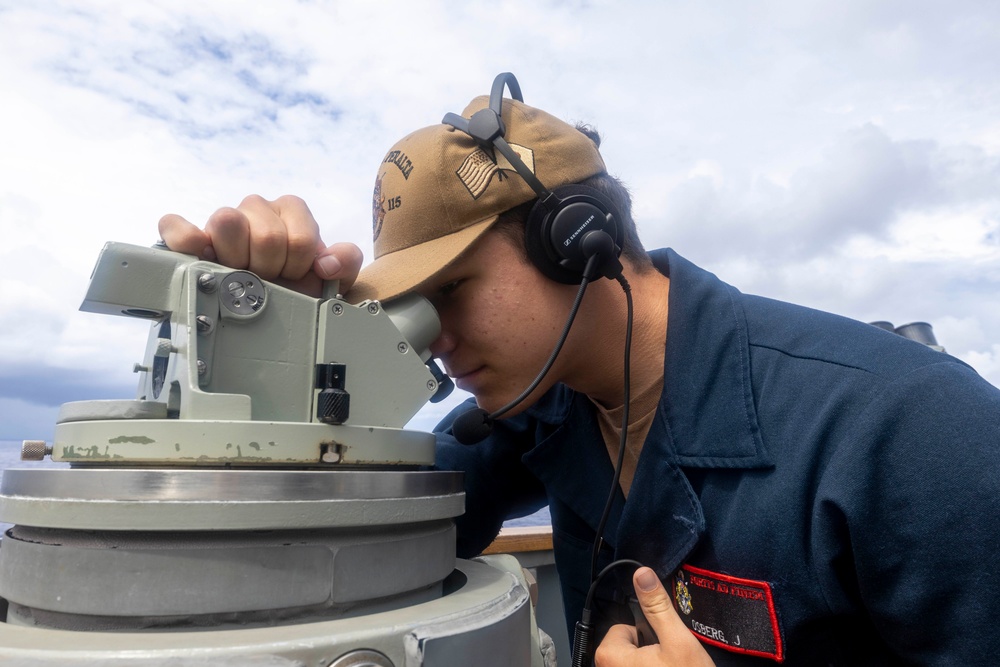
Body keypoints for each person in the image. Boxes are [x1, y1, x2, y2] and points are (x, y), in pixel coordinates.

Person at [159, 77, 1000, 666]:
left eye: (450, 290)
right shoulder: (544, 407)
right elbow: (363, 535)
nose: (432, 338)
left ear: (577, 238)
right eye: (411, 308)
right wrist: (277, 347)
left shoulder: (911, 431)